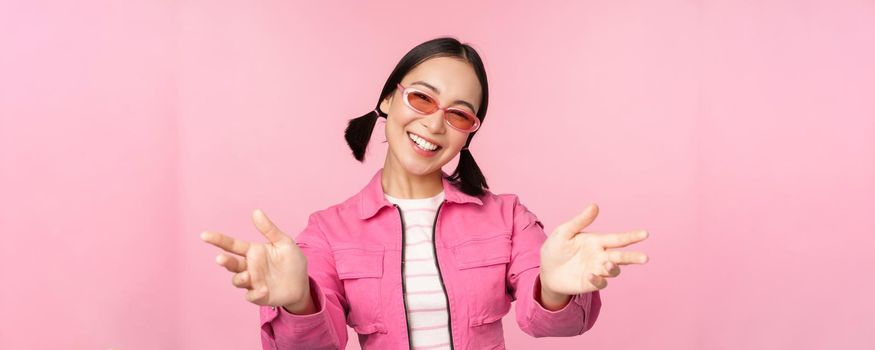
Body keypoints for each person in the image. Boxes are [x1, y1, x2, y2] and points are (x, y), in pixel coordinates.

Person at [200, 36, 650, 350]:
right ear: (387, 101)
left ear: (468, 135)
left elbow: (550, 324)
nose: (435, 123)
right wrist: (298, 301)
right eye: (421, 98)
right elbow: (318, 345)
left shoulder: (508, 218)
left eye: (459, 114)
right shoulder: (327, 232)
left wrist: (553, 288)